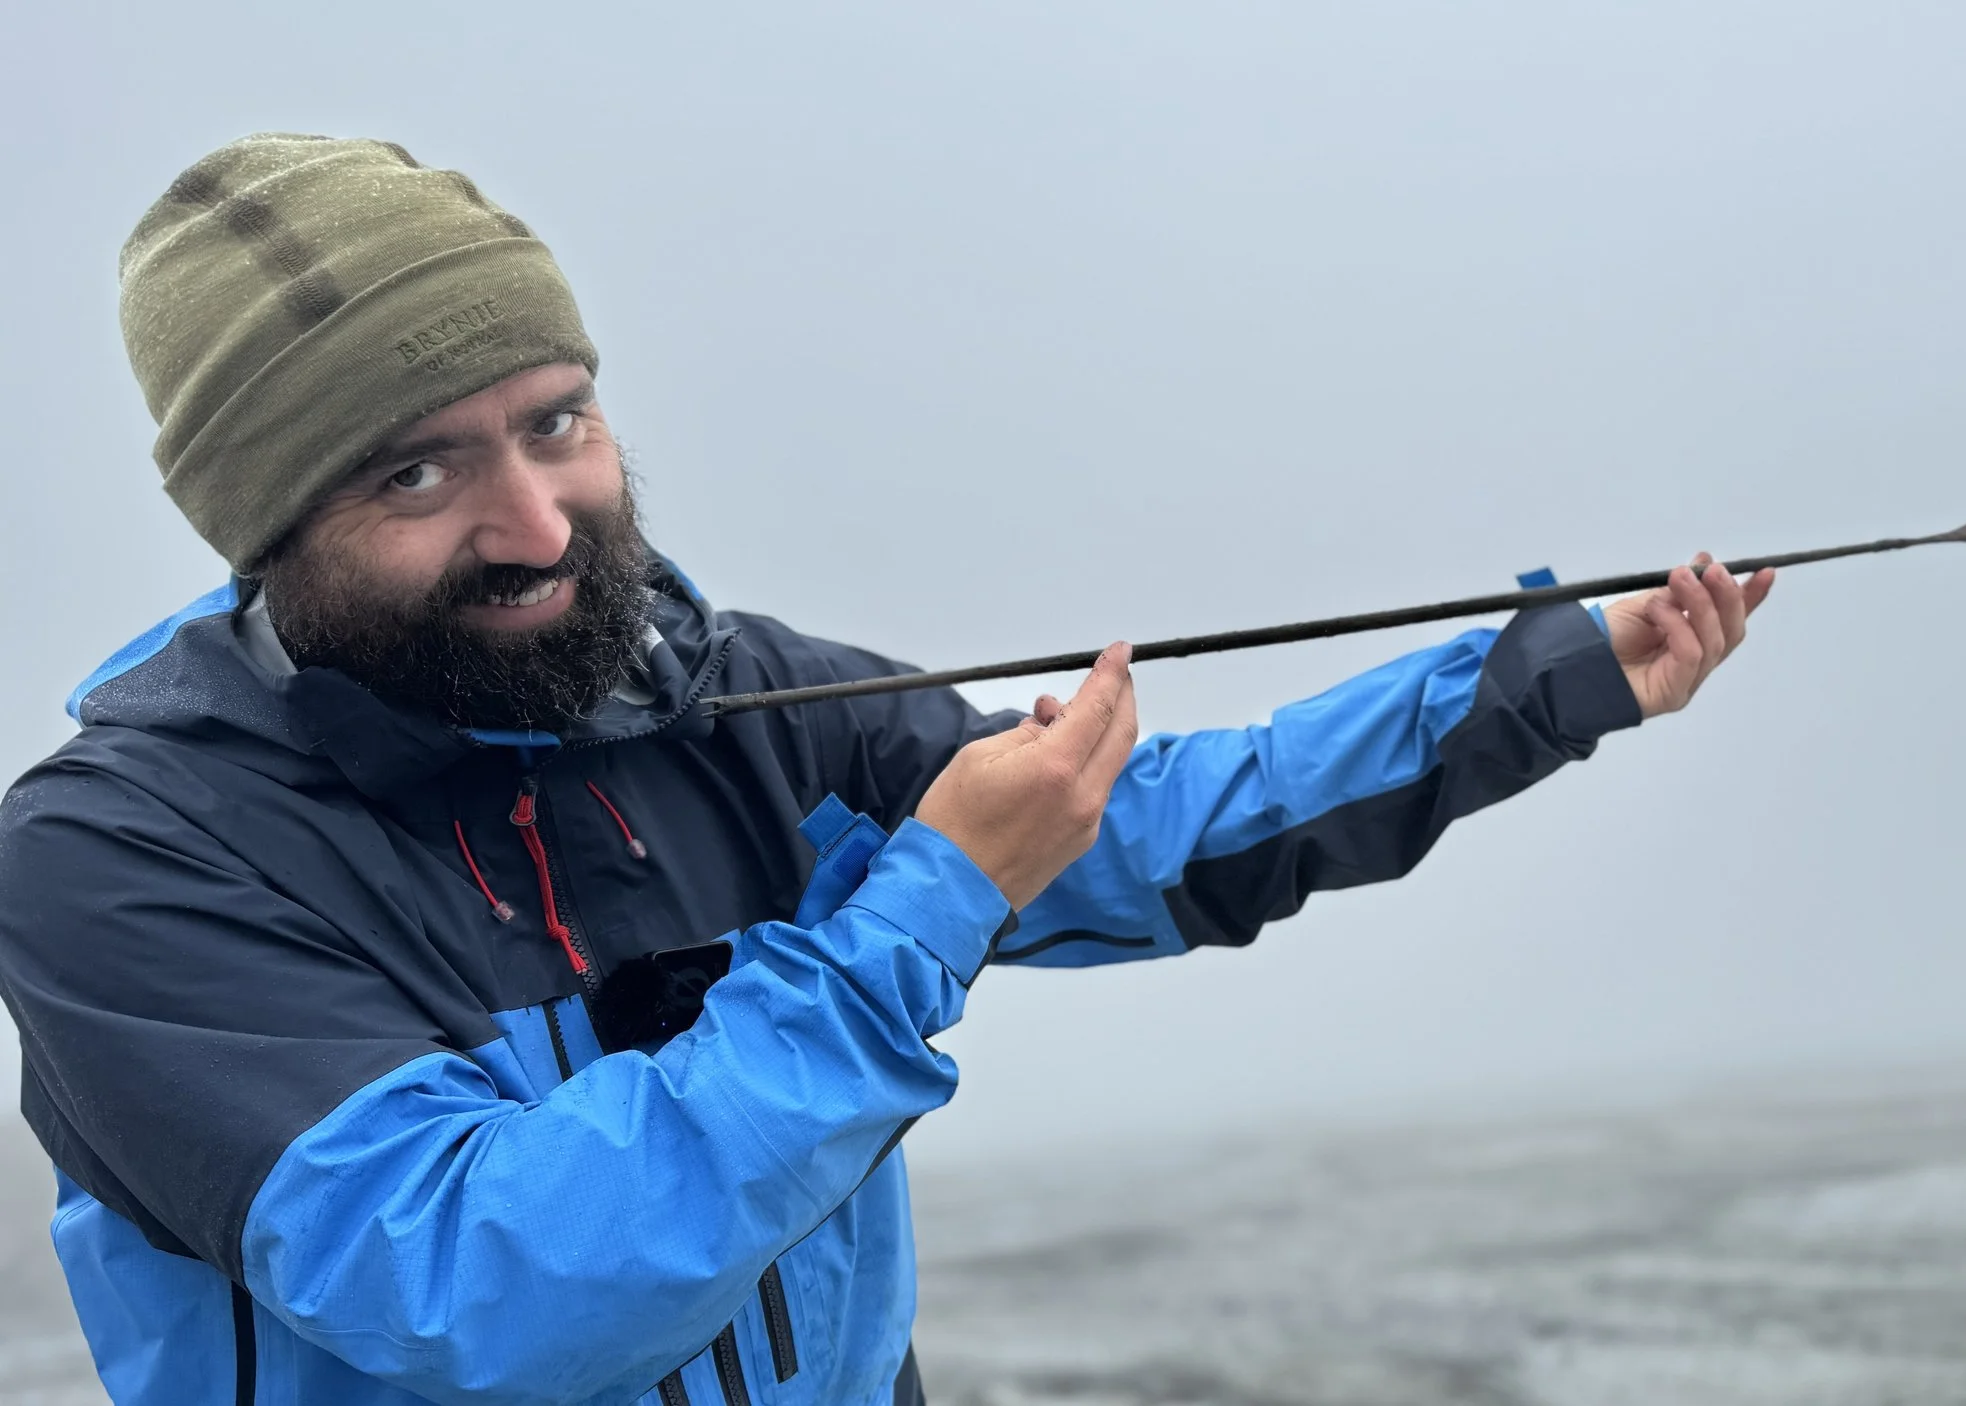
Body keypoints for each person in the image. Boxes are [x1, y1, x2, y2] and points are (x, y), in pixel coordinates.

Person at [0, 134, 1773, 1406]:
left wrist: (1541, 685)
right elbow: (487, 1285)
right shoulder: (122, 859)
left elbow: (1136, 830)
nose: (535, 522)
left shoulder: (733, 695)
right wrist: (921, 904)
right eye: (415, 476)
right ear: (264, 529)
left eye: (557, 422)